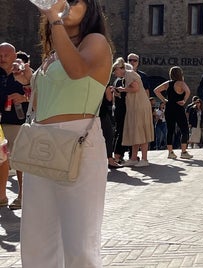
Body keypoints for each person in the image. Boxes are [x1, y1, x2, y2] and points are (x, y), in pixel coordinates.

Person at [12, 0, 112, 266]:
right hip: (43, 141)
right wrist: (29, 79)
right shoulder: (56, 50)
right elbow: (54, 97)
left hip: (78, 141)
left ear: (90, 8)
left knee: (79, 241)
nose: (65, 3)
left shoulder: (96, 41)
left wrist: (54, 20)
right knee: (36, 239)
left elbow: (77, 71)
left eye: (75, 0)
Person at [0, 43, 29, 209]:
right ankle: (2, 196)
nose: (2, 58)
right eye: (0, 55)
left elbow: (36, 93)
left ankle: (22, 195)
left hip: (16, 121)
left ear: (14, 56)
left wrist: (23, 98)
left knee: (19, 160)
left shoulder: (22, 73)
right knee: (1, 160)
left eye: (6, 55)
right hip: (0, 122)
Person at [113, 58, 154, 167]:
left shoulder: (129, 74)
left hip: (139, 106)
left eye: (115, 70)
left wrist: (123, 89)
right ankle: (133, 158)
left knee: (142, 131)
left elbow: (135, 88)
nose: (114, 73)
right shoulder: (127, 75)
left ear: (120, 68)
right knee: (136, 131)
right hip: (136, 106)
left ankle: (144, 159)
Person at [154, 66, 193, 159]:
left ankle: (170, 152)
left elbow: (156, 90)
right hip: (178, 108)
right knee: (184, 129)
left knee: (170, 130)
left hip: (169, 108)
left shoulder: (168, 83)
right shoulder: (181, 83)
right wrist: (184, 100)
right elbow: (188, 91)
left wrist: (164, 100)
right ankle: (183, 151)